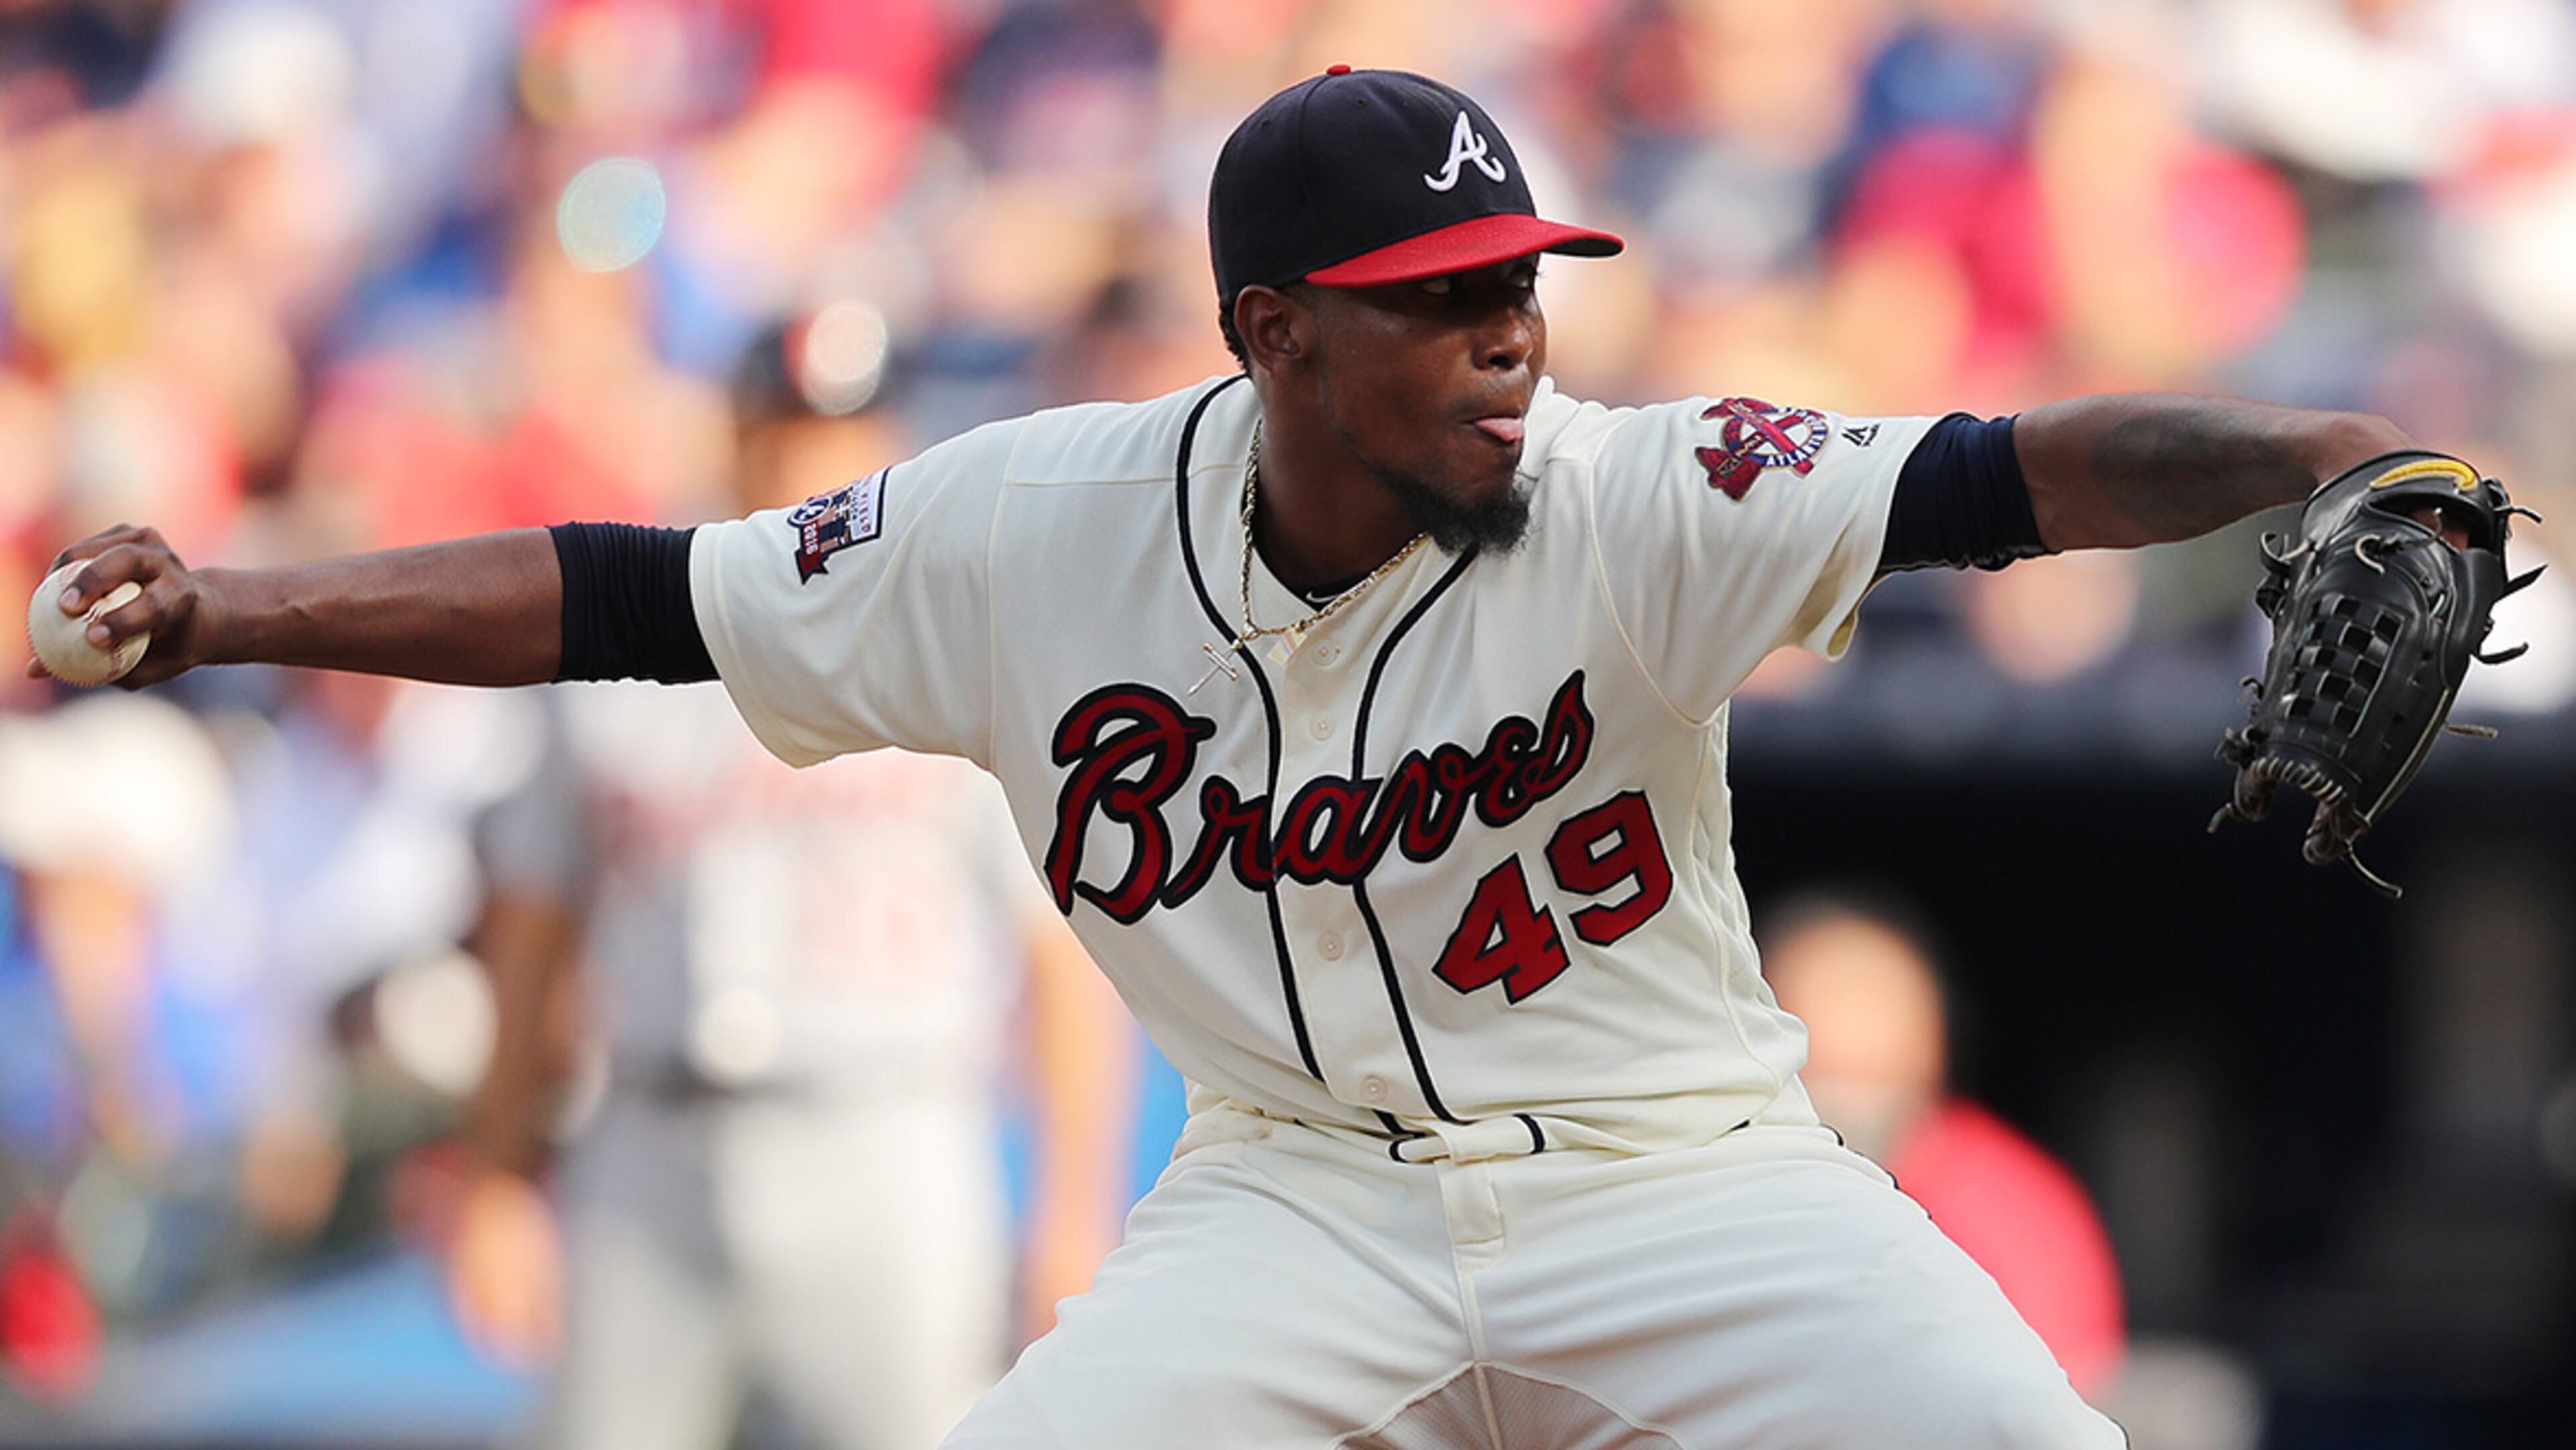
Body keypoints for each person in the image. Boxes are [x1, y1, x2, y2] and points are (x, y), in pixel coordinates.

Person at [32, 66, 2445, 1448]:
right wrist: (241, 603)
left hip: (1683, 1173)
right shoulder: (1028, 528)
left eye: (1521, 286)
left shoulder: (1638, 488)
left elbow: (2016, 468)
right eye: (1437, 307)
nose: (1510, 340)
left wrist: (2314, 441)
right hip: (1296, 1200)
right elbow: (631, 592)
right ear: (1272, 331)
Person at [439, 331, 1135, 1450]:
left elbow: (1067, 955)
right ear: (741, 438)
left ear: (895, 445)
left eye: (846, 431)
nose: (816, 464)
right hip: (649, 1143)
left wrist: (1073, 1212)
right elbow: (531, 932)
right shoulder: (621, 643)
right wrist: (497, 1174)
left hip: (887, 1135)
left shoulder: (978, 645)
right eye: (794, 431)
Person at [1760, 893, 2126, 1400]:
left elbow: (2051, 1406)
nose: (1850, 1098)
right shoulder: (1714, 1187)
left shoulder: (2011, 1205)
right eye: (1823, 1076)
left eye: (1873, 1082)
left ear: (1931, 1049)